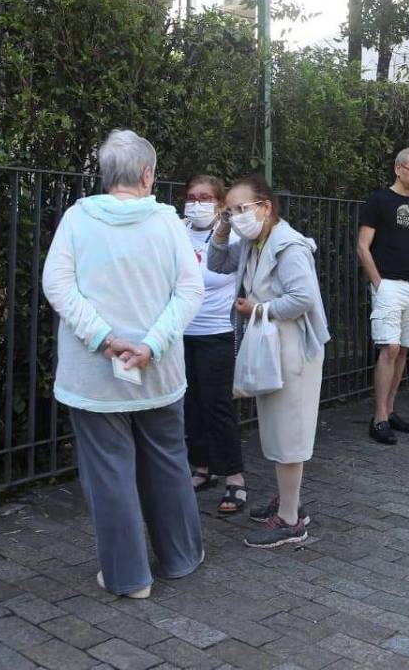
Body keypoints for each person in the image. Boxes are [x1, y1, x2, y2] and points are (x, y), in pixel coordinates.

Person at [41, 129, 205, 599]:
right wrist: (151, 344)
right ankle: (180, 557)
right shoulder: (167, 223)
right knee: (170, 460)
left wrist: (103, 338)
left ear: (104, 173)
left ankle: (129, 578)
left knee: (108, 471)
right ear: (148, 174)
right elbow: (189, 291)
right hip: (159, 369)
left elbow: (58, 287)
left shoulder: (77, 219)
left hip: (94, 375)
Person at [208, 175, 330, 548]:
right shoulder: (252, 242)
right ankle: (288, 501)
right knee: (277, 427)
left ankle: (291, 520)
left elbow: (303, 298)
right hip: (271, 345)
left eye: (242, 209)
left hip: (292, 347)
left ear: (265, 207)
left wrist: (258, 309)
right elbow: (217, 261)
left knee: (288, 431)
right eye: (231, 210)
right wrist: (224, 225)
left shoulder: (288, 247)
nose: (237, 216)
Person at [181, 174, 248, 515]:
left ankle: (234, 478)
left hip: (218, 331)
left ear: (220, 204)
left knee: (217, 405)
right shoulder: (176, 231)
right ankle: (202, 467)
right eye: (192, 197)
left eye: (205, 198)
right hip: (182, 332)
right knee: (191, 403)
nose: (197, 203)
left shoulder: (230, 235)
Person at [357, 148, 409, 446]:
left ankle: (390, 410)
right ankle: (378, 418)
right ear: (398, 169)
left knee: (403, 349)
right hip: (388, 284)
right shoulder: (378, 201)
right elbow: (363, 246)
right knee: (389, 348)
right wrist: (379, 284)